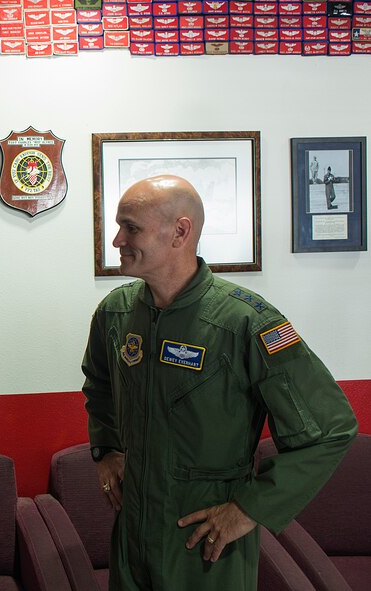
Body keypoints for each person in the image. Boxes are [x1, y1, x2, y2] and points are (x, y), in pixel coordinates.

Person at [82, 175, 357, 591]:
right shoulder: (116, 313)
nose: (117, 240)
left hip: (205, 539)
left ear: (180, 231)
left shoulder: (246, 322)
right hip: (132, 533)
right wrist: (107, 450)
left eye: (131, 228)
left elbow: (330, 429)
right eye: (119, 226)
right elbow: (99, 384)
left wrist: (249, 509)